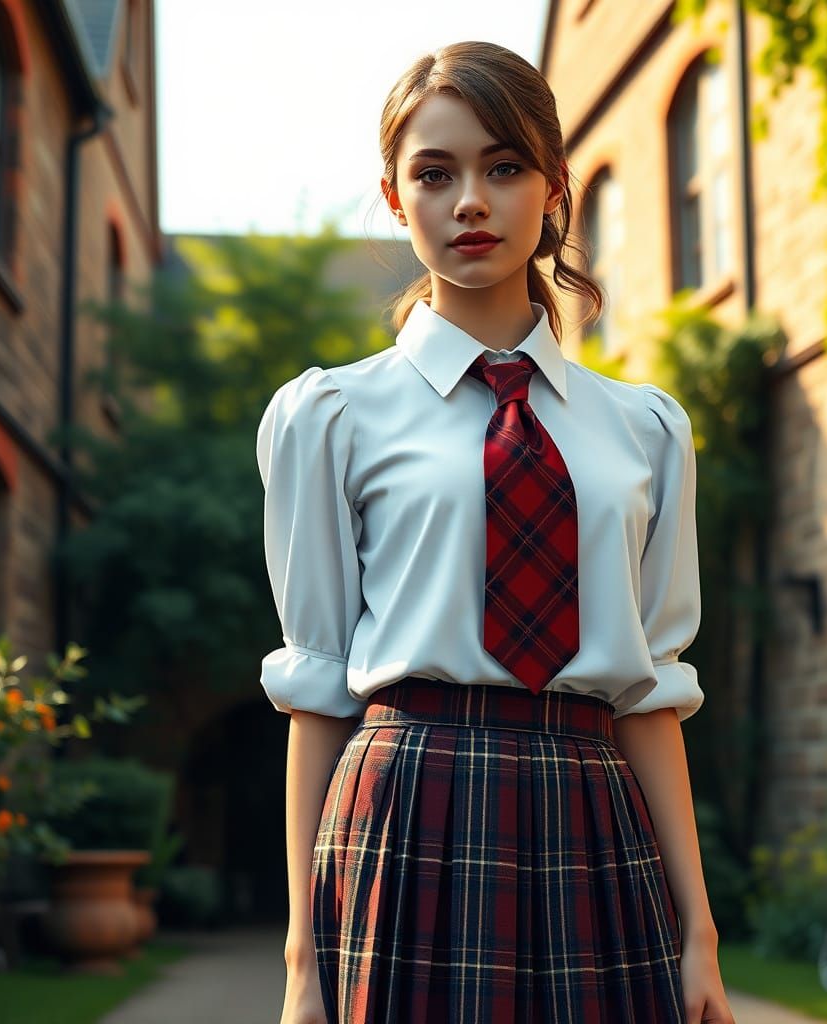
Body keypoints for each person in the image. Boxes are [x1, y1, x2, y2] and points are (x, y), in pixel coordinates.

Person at [257, 39, 736, 1024]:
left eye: (502, 166)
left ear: (553, 188)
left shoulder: (645, 430)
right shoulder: (332, 417)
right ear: (395, 199)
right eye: (434, 173)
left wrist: (700, 932)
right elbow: (315, 688)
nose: (468, 200)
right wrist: (304, 968)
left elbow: (648, 689)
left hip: (592, 819)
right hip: (406, 814)